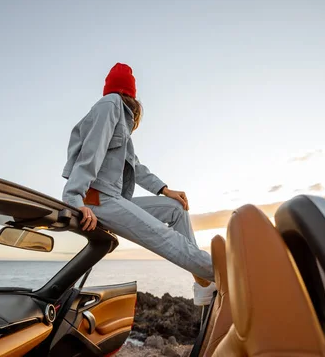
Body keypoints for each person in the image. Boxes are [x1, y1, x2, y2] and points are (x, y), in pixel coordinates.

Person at [62, 63, 216, 305]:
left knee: (175, 209)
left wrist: (164, 190)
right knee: (163, 235)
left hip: (113, 198)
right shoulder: (109, 104)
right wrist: (74, 197)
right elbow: (91, 151)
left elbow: (136, 165)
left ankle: (203, 283)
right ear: (130, 93)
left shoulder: (120, 115)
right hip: (97, 198)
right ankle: (224, 272)